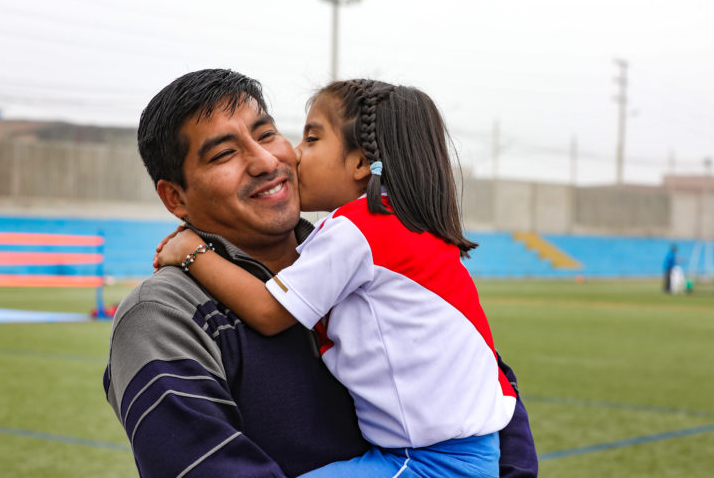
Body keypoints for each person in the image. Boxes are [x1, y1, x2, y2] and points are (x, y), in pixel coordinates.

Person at [104, 69, 538, 478]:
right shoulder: (162, 316)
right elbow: (202, 465)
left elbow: (489, 384)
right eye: (224, 153)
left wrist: (192, 251)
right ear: (175, 198)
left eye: (268, 134)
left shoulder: (360, 254)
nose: (270, 160)